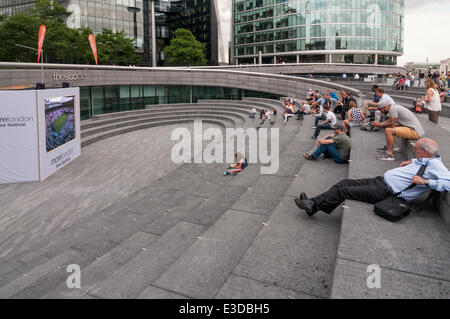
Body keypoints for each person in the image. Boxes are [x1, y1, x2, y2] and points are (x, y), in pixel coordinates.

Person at [294, 139, 450, 216]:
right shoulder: (426, 160)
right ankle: (313, 206)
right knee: (344, 182)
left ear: (426, 152)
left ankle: (312, 204)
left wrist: (425, 181)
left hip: (386, 191)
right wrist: (413, 161)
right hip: (380, 181)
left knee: (344, 191)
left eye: (416, 150)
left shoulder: (436, 166)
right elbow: (421, 163)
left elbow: (448, 183)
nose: (414, 151)